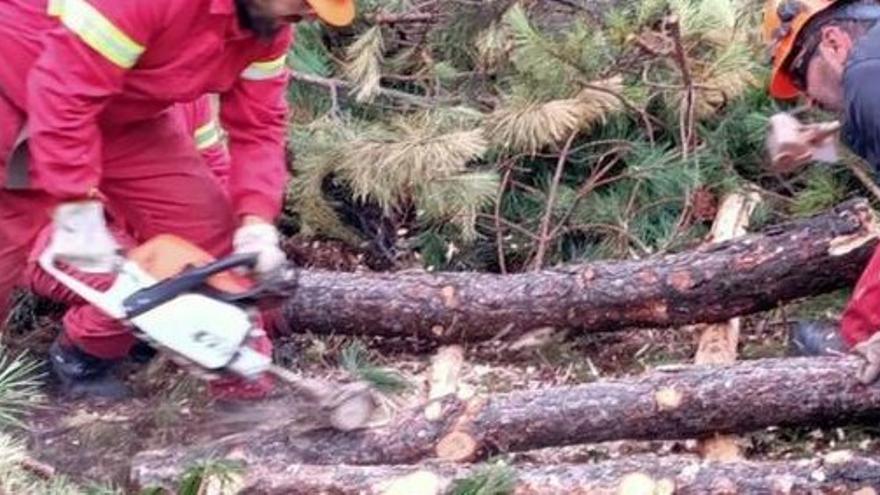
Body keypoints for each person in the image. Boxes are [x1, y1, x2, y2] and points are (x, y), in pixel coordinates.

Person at [0, 0, 355, 400]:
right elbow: (64, 92)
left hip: (122, 116)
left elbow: (259, 126)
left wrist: (256, 222)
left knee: (217, 253)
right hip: (20, 90)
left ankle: (248, 398)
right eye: (304, 2)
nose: (309, 14)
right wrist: (75, 207)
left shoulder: (268, 29)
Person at [763, 0, 880, 381]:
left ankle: (856, 343)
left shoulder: (866, 76)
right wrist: (828, 138)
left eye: (799, 74)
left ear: (832, 42)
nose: (807, 99)